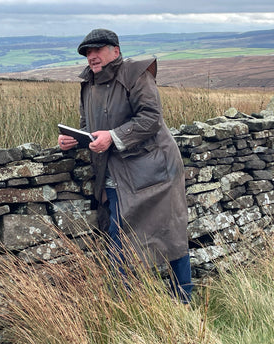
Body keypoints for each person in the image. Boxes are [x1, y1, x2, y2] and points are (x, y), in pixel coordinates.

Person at [58, 28, 193, 303]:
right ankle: (130, 305)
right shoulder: (88, 84)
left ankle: (183, 298)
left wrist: (114, 136)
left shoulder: (135, 75)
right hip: (116, 173)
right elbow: (91, 127)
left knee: (171, 235)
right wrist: (74, 139)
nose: (91, 57)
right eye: (87, 52)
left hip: (155, 171)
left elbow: (151, 119)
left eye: (97, 50)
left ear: (115, 51)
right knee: (120, 236)